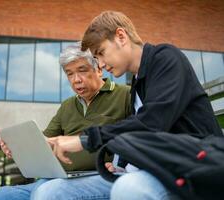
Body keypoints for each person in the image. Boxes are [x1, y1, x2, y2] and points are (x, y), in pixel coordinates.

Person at [49, 11, 222, 200]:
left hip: (195, 167)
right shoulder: (136, 87)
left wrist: (84, 140)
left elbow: (152, 123)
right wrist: (120, 166)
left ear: (121, 37)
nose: (100, 64)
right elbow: (138, 133)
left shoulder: (165, 58)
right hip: (153, 169)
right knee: (53, 191)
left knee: (128, 189)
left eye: (101, 53)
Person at [0, 42, 131, 200]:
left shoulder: (125, 95)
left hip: (100, 175)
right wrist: (17, 148)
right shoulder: (67, 105)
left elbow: (140, 136)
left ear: (99, 69)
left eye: (82, 70)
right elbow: (43, 143)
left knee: (48, 193)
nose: (76, 80)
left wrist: (121, 166)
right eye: (70, 74)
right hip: (59, 178)